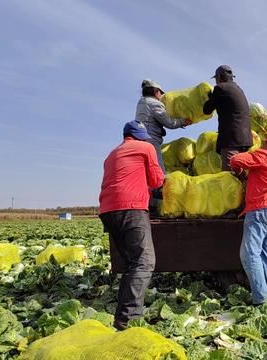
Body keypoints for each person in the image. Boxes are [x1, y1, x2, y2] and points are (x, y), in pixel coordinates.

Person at [98, 120, 165, 330]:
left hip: (107, 210)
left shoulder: (112, 154)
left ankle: (125, 313)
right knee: (144, 262)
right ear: (140, 137)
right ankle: (128, 318)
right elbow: (156, 180)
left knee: (131, 263)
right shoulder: (146, 147)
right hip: (131, 208)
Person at [229, 134, 267, 304]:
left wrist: (239, 171)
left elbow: (236, 159)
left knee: (249, 254)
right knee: (265, 256)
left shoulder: (265, 155)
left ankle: (261, 300)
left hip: (260, 211)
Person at [203, 65, 253, 171]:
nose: (216, 81)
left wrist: (210, 97)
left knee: (230, 176)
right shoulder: (239, 89)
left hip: (231, 140)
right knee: (241, 173)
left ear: (220, 77)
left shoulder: (220, 88)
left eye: (216, 78)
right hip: (245, 139)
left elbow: (206, 110)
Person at [136, 79, 191, 173]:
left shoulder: (141, 102)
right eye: (160, 93)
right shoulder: (155, 103)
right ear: (156, 91)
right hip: (151, 141)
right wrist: (183, 121)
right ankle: (159, 188)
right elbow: (169, 123)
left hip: (140, 141)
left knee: (145, 170)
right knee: (158, 170)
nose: (161, 96)